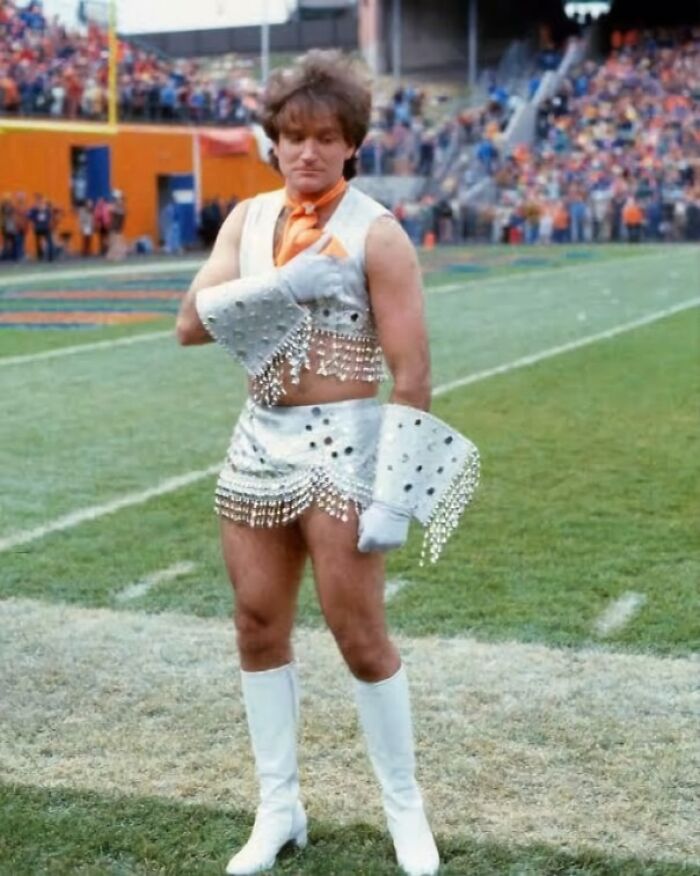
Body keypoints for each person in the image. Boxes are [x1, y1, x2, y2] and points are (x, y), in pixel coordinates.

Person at [176, 50, 479, 876]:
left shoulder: (378, 232)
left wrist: (396, 490)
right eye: (292, 137)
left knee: (360, 636)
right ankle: (279, 810)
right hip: (257, 442)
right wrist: (284, 283)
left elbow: (412, 371)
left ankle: (406, 813)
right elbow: (189, 323)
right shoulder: (245, 220)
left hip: (347, 446)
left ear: (352, 144)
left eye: (325, 138)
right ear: (273, 141)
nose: (306, 152)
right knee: (256, 624)